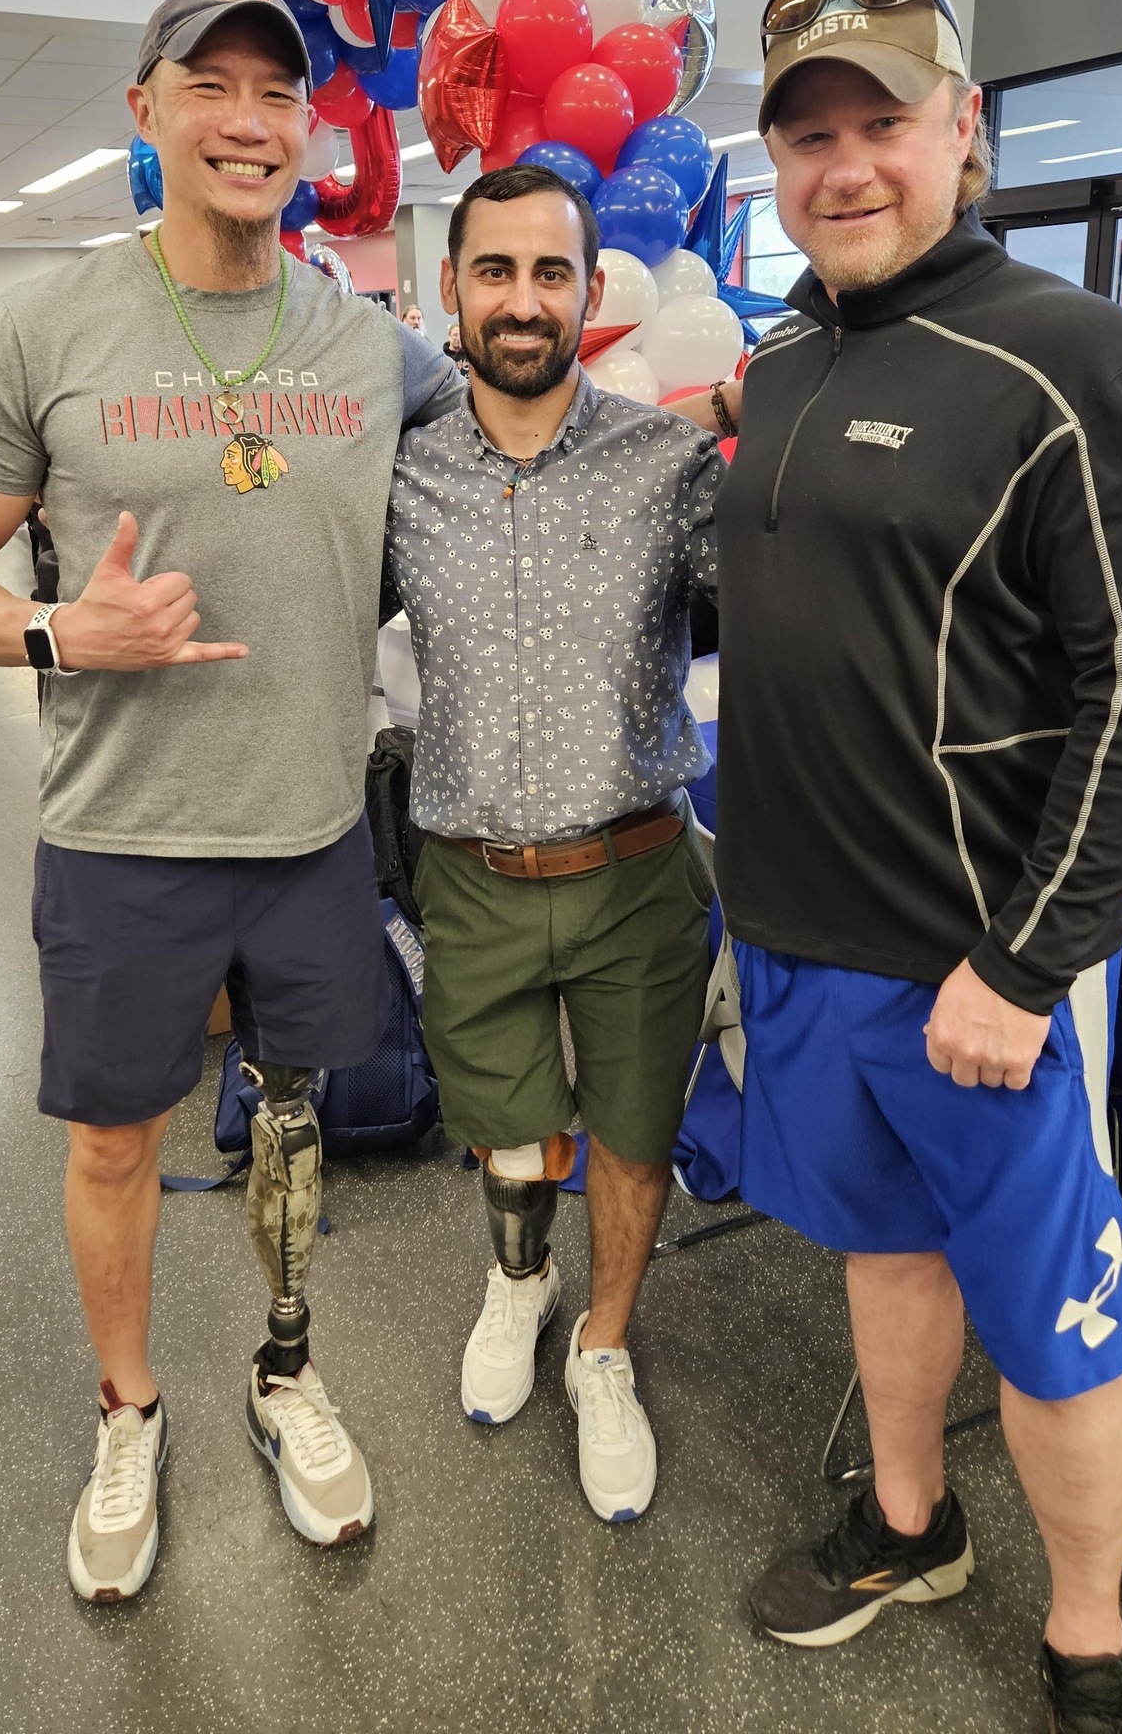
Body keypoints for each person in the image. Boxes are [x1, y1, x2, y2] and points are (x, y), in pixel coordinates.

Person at [0, 0, 462, 1603]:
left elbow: (525, 408)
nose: (249, 121)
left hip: (312, 831)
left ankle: (286, 1368)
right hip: (120, 837)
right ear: (146, 111)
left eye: (279, 92)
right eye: (210, 85)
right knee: (114, 1145)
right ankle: (129, 1409)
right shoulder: (52, 325)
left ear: (310, 130)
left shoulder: (369, 343)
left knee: (294, 1117)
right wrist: (60, 628)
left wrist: (732, 399)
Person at [712, 0, 1122, 1732]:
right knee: (884, 1253)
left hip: (978, 970)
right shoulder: (788, 363)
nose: (845, 165)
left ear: (964, 129)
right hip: (804, 943)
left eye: (884, 122)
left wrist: (1024, 961)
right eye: (809, 136)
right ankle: (911, 1526)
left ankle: (1086, 1644)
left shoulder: (1077, 363)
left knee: (1056, 1320)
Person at [384, 164, 723, 1522]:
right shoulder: (399, 478)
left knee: (634, 1134)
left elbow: (798, 608)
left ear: (590, 292)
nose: (523, 300)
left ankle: (603, 1344)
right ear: (450, 290)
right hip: (470, 874)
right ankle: (519, 1286)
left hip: (635, 870)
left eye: (550, 273)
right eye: (495, 270)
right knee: (512, 1132)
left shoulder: (668, 464)